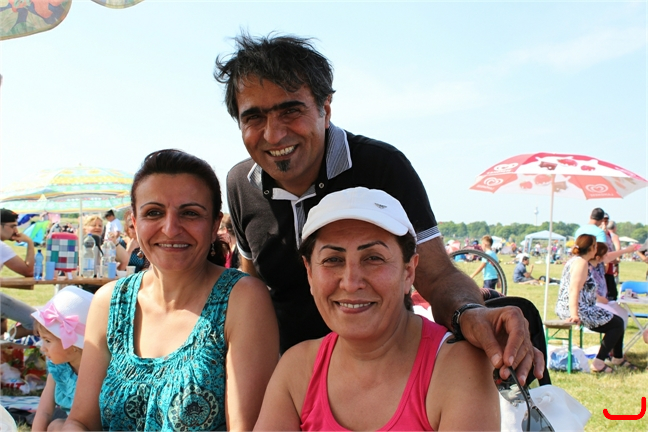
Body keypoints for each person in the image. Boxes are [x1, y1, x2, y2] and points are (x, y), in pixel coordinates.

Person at [214, 33, 542, 383]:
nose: (273, 134)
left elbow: (436, 275)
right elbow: (253, 291)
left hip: (390, 378)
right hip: (292, 378)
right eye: (254, 118)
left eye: (290, 111)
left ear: (325, 109)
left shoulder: (382, 167)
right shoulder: (240, 184)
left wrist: (470, 312)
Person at [64, 149, 279, 431]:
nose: (170, 228)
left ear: (214, 225)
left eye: (190, 213)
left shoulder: (242, 299)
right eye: (154, 213)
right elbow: (81, 420)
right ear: (134, 223)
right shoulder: (110, 302)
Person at [254, 188, 500, 431]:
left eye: (373, 258)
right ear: (310, 273)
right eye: (333, 260)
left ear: (408, 271)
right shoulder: (296, 370)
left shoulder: (456, 367)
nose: (351, 283)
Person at [555, 234, 639, 373]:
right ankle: (599, 362)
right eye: (595, 245)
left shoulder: (576, 261)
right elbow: (574, 289)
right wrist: (574, 314)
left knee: (617, 321)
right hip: (578, 309)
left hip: (579, 307)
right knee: (617, 324)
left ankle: (616, 357)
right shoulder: (581, 263)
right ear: (591, 248)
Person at [32, 286, 93, 431]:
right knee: (56, 425)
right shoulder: (58, 369)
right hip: (72, 427)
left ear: (74, 345)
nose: (42, 348)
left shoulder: (97, 370)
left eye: (48, 340)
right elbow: (44, 411)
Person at [1, 208, 36, 339]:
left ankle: (5, 342)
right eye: (12, 226)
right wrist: (30, 243)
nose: (16, 231)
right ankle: (7, 340)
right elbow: (29, 271)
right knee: (38, 321)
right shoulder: (1, 247)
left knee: (1, 324)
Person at [590, 243, 628, 329]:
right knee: (617, 320)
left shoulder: (599, 265)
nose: (607, 256)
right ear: (598, 257)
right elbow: (584, 288)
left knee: (623, 313)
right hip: (594, 302)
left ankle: (619, 337)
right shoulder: (587, 268)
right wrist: (599, 298)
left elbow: (610, 257)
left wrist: (627, 250)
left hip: (603, 300)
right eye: (605, 254)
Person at [116, 208, 148, 273]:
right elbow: (118, 270)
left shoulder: (145, 245)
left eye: (138, 226)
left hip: (139, 278)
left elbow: (147, 269)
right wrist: (129, 250)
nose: (136, 229)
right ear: (127, 229)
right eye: (132, 227)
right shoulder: (120, 244)